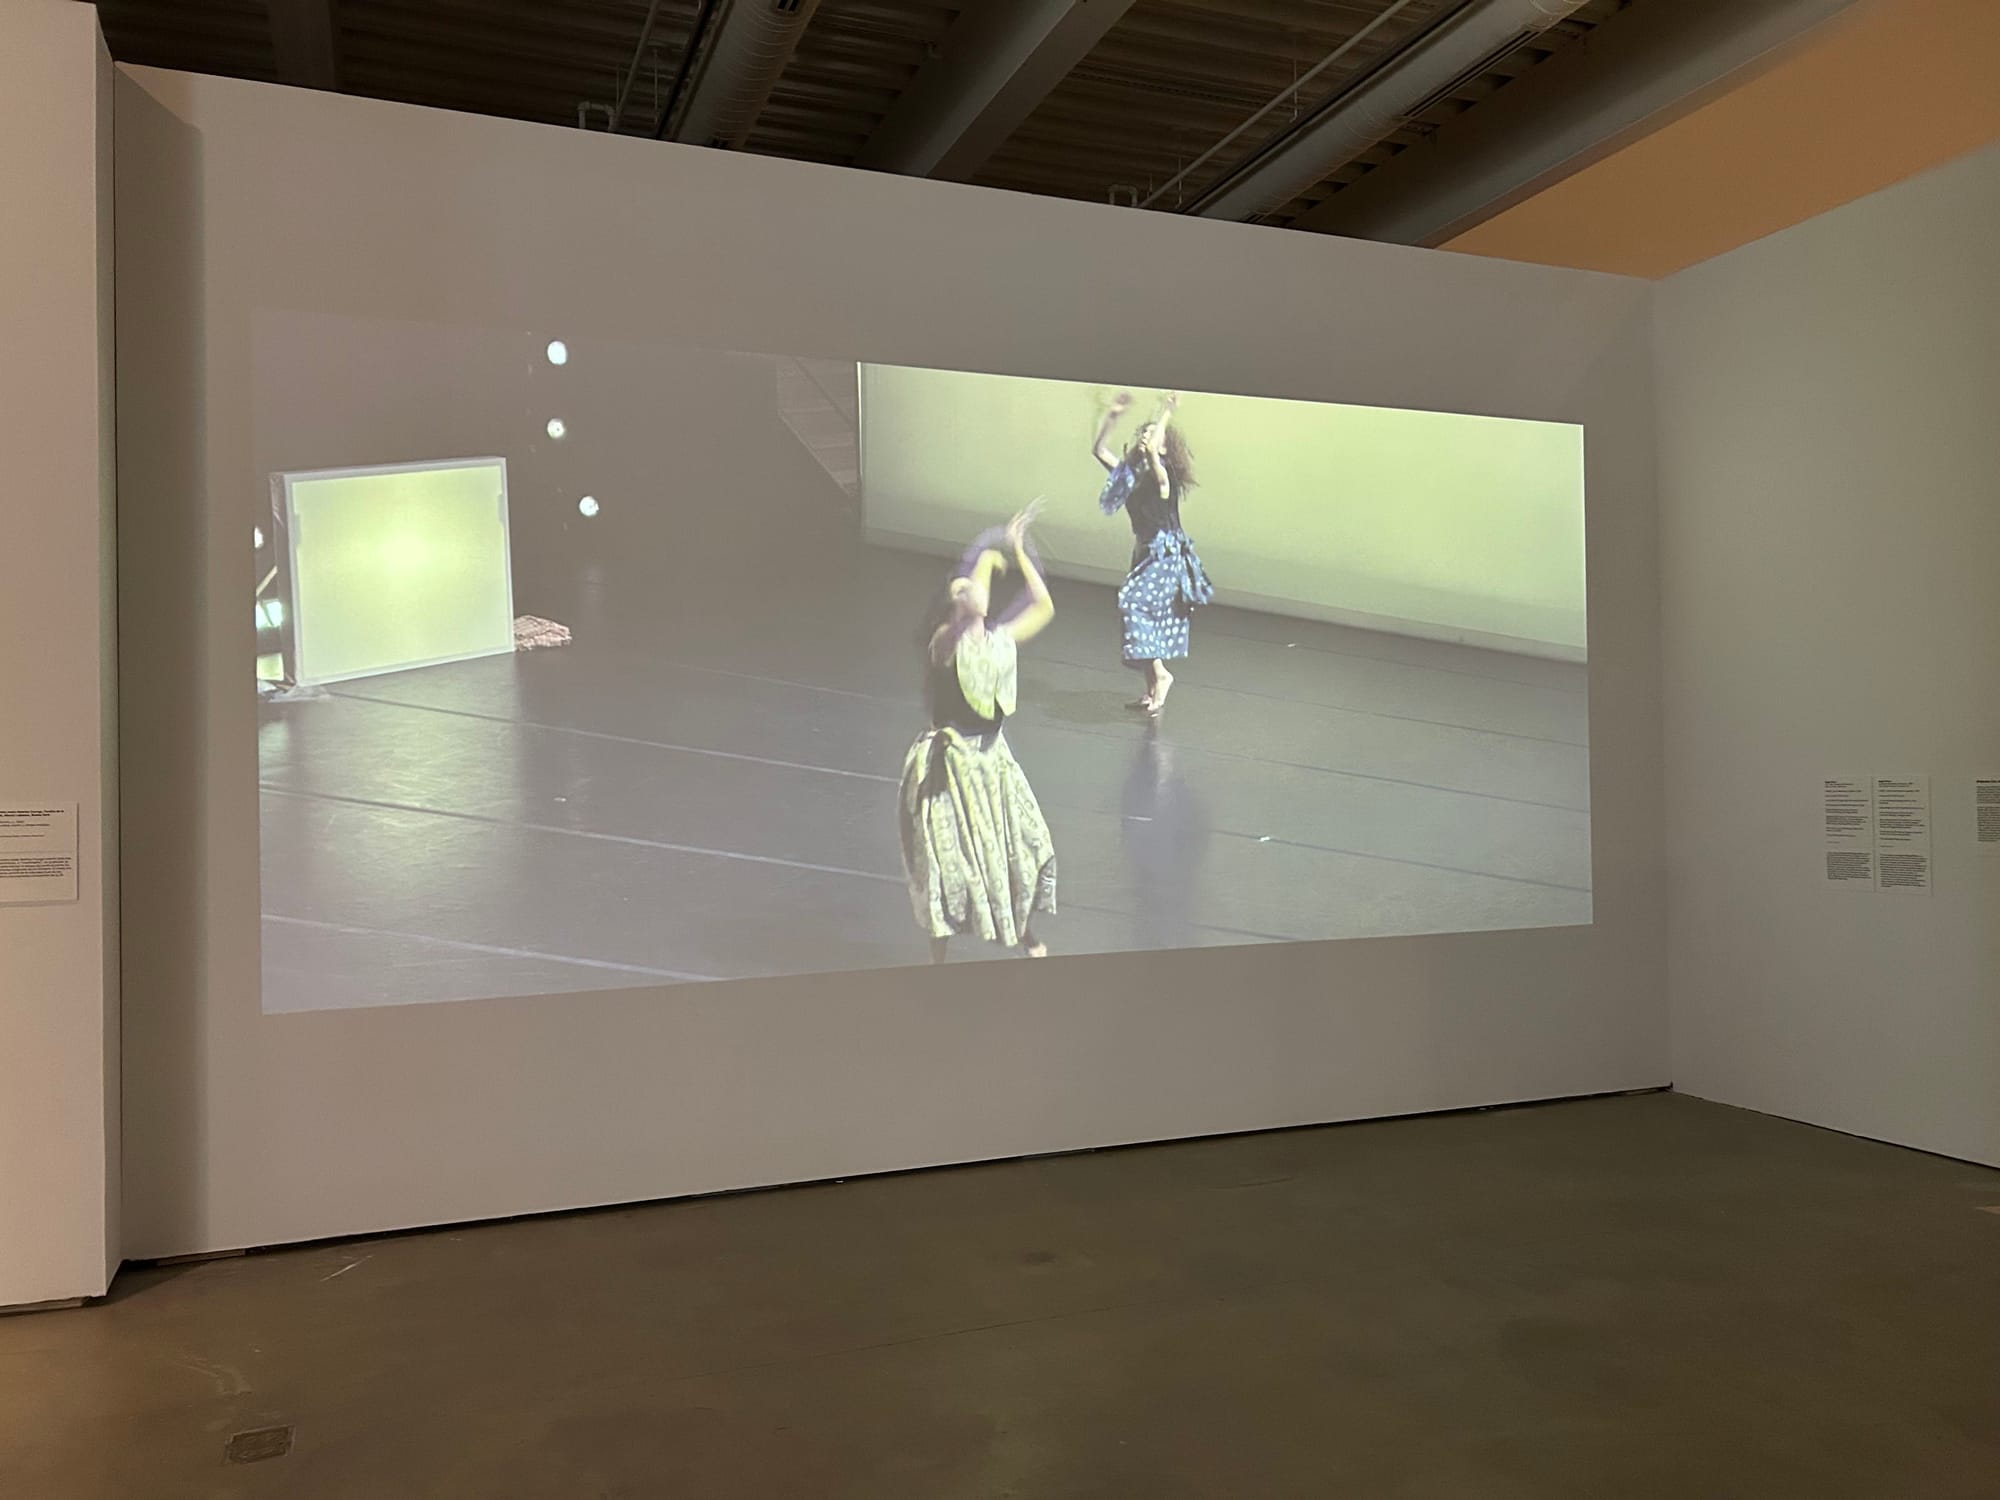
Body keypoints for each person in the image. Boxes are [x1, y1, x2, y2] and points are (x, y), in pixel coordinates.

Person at [898, 504, 1059, 961]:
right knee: (947, 869)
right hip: (951, 768)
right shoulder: (944, 644)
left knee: (1016, 851)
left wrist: (1017, 549)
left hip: (992, 762)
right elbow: (958, 623)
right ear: (954, 604)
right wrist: (981, 567)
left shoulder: (1000, 640)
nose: (973, 591)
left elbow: (1044, 605)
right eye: (962, 589)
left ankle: (1026, 934)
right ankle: (939, 960)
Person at [1092, 390, 1214, 715]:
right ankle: (1150, 690)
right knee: (1142, 614)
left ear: (1163, 447)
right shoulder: (1130, 477)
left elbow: (1154, 457)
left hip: (1165, 555)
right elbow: (1098, 450)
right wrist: (1112, 416)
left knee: (1132, 604)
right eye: (1143, 434)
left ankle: (1161, 675)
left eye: (1153, 435)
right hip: (1144, 553)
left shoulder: (1163, 478)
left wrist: (1167, 411)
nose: (1146, 438)